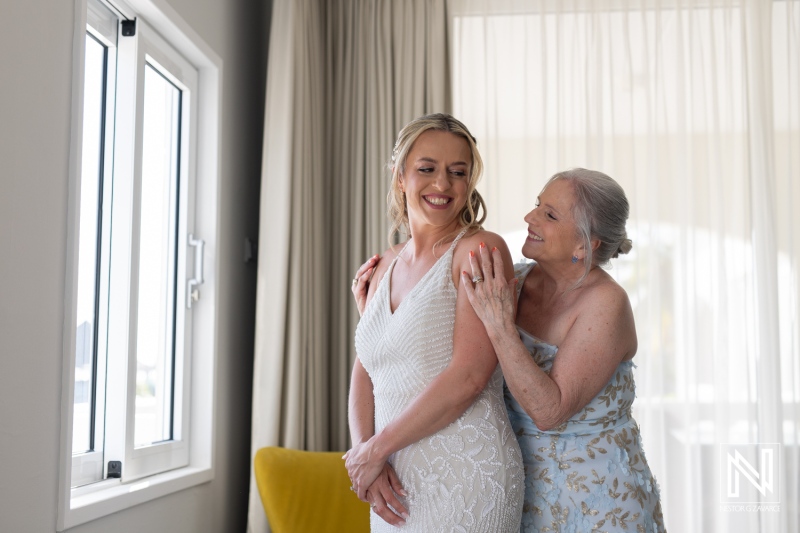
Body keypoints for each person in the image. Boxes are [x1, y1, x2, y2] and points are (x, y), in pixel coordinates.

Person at [353, 168, 666, 532]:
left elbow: (549, 412)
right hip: (513, 494)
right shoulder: (509, 283)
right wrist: (377, 316)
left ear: (584, 245)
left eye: (550, 215)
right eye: (537, 205)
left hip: (597, 506)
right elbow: (432, 355)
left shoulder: (606, 303)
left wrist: (500, 327)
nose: (530, 217)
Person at [344, 113, 524, 532]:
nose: (442, 184)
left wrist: (375, 450)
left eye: (457, 172)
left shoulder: (479, 250)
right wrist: (365, 455)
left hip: (467, 477)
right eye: (427, 168)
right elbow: (367, 371)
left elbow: (469, 376)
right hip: (392, 483)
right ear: (400, 175)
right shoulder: (384, 264)